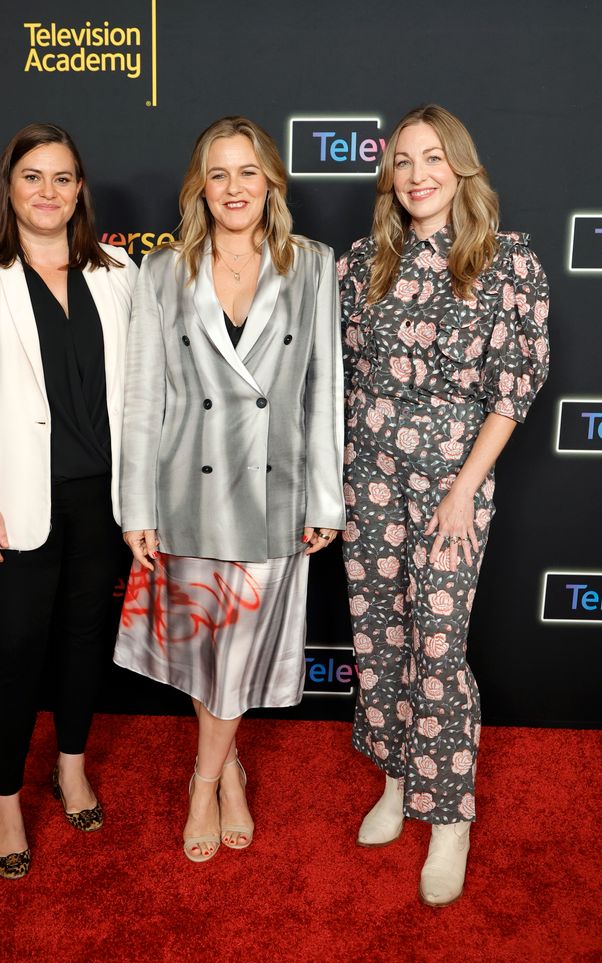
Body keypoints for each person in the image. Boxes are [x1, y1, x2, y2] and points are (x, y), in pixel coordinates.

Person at [114, 115, 345, 862]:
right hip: (186, 490)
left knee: (242, 648)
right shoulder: (163, 271)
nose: (234, 188)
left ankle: (205, 779)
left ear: (271, 181)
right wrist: (137, 509)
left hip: (274, 495)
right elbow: (145, 399)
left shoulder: (313, 265)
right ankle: (229, 767)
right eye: (219, 174)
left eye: (248, 172)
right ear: (200, 188)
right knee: (209, 649)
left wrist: (326, 499)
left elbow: (322, 390)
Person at [338, 105, 549, 906]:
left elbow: (513, 390)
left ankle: (449, 813)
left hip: (451, 488)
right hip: (369, 479)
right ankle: (396, 778)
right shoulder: (364, 264)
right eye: (402, 161)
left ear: (461, 167)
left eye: (433, 159)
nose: (418, 174)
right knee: (379, 635)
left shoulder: (506, 263)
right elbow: (342, 378)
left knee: (437, 643)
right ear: (389, 176)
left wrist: (464, 489)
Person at [0, 123, 138, 879]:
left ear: (81, 190)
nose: (49, 192)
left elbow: (139, 393)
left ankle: (71, 767)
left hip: (99, 500)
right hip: (12, 500)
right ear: (8, 188)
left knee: (85, 642)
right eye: (33, 177)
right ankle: (6, 798)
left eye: (64, 178)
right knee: (15, 654)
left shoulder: (117, 270)